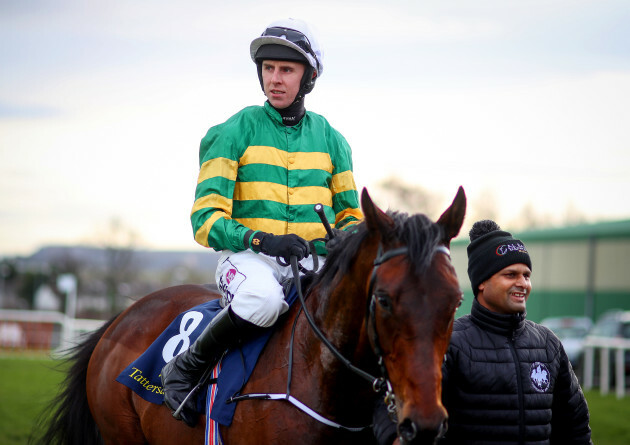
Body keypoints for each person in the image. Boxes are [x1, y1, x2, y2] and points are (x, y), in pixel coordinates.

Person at [160, 18, 362, 427]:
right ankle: (185, 367)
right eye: (268, 68)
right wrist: (262, 240)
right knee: (264, 300)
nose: (275, 79)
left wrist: (343, 240)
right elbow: (205, 219)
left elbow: (353, 217)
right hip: (248, 261)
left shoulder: (333, 141)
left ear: (308, 78)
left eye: (286, 70)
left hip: (312, 264)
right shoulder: (232, 131)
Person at [372, 219, 592, 445]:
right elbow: (389, 399)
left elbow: (575, 425)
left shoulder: (548, 344)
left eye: (526, 275)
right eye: (510, 275)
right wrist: (393, 438)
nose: (522, 283)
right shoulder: (451, 342)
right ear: (482, 283)